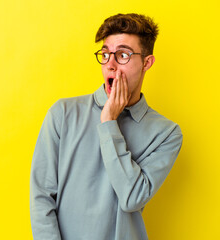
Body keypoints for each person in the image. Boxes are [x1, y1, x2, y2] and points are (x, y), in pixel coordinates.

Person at [30, 13, 183, 240]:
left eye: (122, 55)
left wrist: (109, 122)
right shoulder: (63, 113)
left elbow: (132, 198)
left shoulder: (166, 134)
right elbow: (41, 197)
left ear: (146, 63)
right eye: (105, 54)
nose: (110, 65)